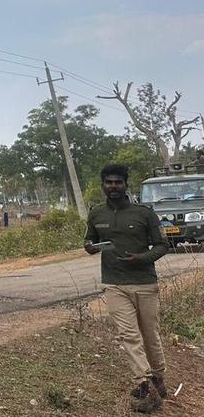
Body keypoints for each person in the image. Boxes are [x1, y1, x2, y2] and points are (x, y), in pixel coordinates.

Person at [84, 163, 170, 413]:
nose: (113, 186)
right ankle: (144, 383)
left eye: (117, 182)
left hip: (145, 283)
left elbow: (162, 245)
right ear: (103, 185)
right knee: (128, 335)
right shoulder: (96, 214)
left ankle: (158, 376)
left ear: (125, 184)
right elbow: (90, 240)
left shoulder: (144, 213)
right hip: (114, 284)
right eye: (109, 182)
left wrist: (141, 258)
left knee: (149, 334)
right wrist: (90, 247)